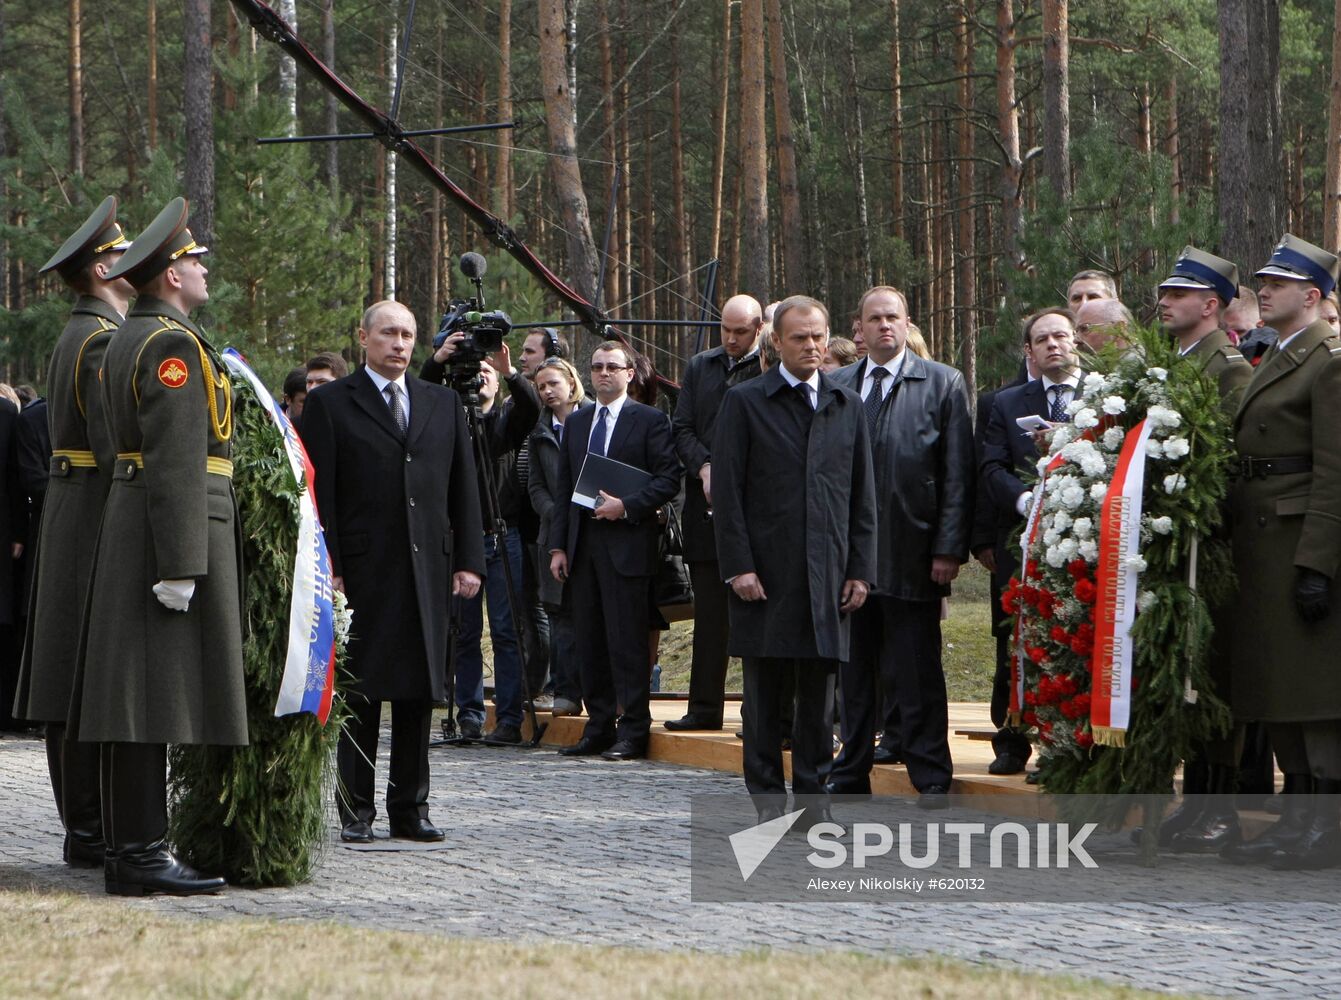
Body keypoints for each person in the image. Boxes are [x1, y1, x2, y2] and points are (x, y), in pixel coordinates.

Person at [73, 196, 240, 896]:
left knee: (132, 699)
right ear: (171, 276)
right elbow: (173, 457)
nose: (203, 269)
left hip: (132, 521)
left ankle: (128, 850)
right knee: (144, 701)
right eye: (194, 260)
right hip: (162, 535)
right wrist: (181, 563)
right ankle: (139, 854)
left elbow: (117, 452)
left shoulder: (125, 338)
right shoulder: (169, 344)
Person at [303, 300, 485, 843]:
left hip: (428, 569)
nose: (400, 344)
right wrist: (326, 565)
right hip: (360, 572)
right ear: (363, 338)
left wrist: (470, 560)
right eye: (388, 334)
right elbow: (318, 494)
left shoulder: (441, 403)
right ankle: (355, 810)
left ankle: (411, 808)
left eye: (408, 334)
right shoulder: (332, 404)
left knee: (417, 693)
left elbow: (463, 487)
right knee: (360, 693)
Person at [713, 295, 876, 824]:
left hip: (828, 575)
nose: (811, 346)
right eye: (800, 338)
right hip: (765, 574)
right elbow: (729, 496)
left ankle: (813, 802)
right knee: (764, 699)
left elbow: (862, 495)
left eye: (818, 336)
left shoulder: (846, 404)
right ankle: (766, 801)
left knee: (819, 698)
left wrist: (860, 569)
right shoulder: (746, 402)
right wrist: (738, 566)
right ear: (776, 342)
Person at [12, 197, 131, 863]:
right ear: (102, 266)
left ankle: (85, 826)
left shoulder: (80, 332)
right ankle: (92, 829)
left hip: (70, 507)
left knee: (70, 669)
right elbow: (115, 444)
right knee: (90, 673)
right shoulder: (102, 341)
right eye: (122, 254)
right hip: (93, 513)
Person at [826, 286, 972, 808]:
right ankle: (850, 770)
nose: (885, 326)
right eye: (875, 319)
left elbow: (957, 474)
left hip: (913, 550)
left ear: (907, 323)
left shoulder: (942, 383)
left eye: (894, 317)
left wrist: (949, 548)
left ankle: (930, 772)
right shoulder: (836, 384)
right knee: (853, 674)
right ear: (858, 327)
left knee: (916, 671)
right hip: (848, 558)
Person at [1222, 235, 1341, 870]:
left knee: (1314, 696)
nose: (1263, 290)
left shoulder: (1328, 360)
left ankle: (1325, 822)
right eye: (1263, 281)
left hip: (1298, 542)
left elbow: (1335, 471)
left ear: (1313, 295)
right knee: (1279, 690)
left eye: (1279, 282)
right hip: (1263, 542)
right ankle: (1297, 818)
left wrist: (1317, 564)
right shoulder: (1277, 355)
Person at [1150, 246, 1253, 853]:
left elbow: (1226, 469)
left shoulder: (1228, 371)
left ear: (1211, 305)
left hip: (1208, 549)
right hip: (1174, 547)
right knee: (1189, 678)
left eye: (1179, 294)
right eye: (1165, 293)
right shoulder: (1180, 363)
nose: (1164, 302)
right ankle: (1197, 805)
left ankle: (1221, 809)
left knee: (1212, 684)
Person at [548, 341, 681, 761]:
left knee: (627, 642)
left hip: (628, 544)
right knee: (590, 641)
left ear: (629, 374)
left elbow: (668, 479)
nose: (603, 373)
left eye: (612, 367)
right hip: (584, 547)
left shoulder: (651, 420)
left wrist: (626, 506)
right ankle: (598, 726)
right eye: (597, 367)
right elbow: (565, 487)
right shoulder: (578, 421)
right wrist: (558, 546)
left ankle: (634, 730)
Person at [419, 333, 540, 744]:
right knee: (463, 632)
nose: (480, 379)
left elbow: (530, 407)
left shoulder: (504, 426)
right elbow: (423, 392)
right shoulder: (449, 423)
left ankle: (507, 718)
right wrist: (439, 360)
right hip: (461, 540)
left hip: (501, 536)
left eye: (485, 372)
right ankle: (469, 714)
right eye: (475, 373)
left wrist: (510, 374)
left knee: (507, 632)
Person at [980, 308, 1083, 778]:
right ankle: (1013, 740)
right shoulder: (1005, 403)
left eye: (1061, 336)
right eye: (1042, 340)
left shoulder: (1102, 395)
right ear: (1029, 352)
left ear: (1076, 340)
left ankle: (1068, 744)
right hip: (1021, 539)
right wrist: (1025, 502)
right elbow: (990, 466)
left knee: (1073, 638)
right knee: (1016, 639)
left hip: (1084, 540)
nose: (1053, 345)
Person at [666, 294, 764, 732]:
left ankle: (757, 712)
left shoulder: (768, 370)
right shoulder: (700, 366)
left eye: (740, 331)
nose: (730, 339)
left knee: (752, 613)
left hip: (751, 507)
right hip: (702, 507)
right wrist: (705, 466)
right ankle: (703, 708)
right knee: (708, 615)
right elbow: (681, 427)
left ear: (759, 329)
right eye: (724, 329)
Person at [527, 358, 591, 718]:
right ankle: (566, 691)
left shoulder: (594, 420)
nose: (548, 392)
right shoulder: (539, 432)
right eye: (541, 387)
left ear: (571, 381)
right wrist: (555, 513)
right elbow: (535, 485)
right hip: (552, 533)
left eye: (553, 384)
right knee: (559, 615)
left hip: (593, 529)